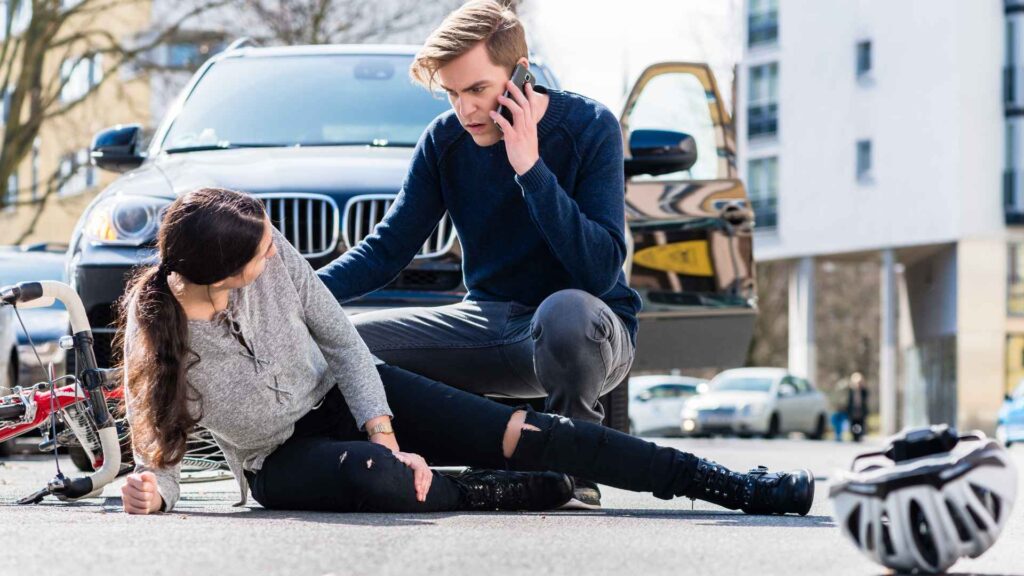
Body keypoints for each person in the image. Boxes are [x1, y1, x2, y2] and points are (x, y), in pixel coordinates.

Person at [118, 188, 814, 517]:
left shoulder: (273, 259)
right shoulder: (159, 334)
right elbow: (162, 451)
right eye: (260, 252)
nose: (274, 254)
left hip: (347, 397)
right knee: (378, 478)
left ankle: (726, 484)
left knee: (536, 431)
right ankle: (495, 492)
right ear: (219, 269)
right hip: (280, 460)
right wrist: (154, 493)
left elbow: (345, 344)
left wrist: (385, 431)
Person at [316, 0, 641, 509]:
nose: (464, 109)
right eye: (451, 94)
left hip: (587, 332)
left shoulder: (590, 126)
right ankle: (433, 454)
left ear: (520, 75)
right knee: (343, 342)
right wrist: (295, 295)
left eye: (477, 90)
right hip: (488, 325)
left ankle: (573, 465)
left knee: (566, 311)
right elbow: (386, 250)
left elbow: (599, 270)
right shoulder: (444, 141)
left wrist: (531, 169)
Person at [846, 372, 869, 443]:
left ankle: (859, 435)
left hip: (861, 410)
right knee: (853, 423)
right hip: (853, 410)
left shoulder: (863, 391)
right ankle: (854, 436)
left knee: (860, 423)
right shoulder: (851, 391)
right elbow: (849, 401)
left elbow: (865, 400)